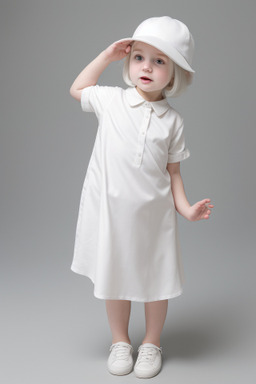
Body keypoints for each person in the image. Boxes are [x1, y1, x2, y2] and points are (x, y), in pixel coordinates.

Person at [69, 16, 214, 379]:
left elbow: (173, 172)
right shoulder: (111, 101)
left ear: (175, 73)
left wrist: (186, 209)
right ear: (128, 62)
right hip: (113, 214)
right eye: (139, 57)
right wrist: (106, 55)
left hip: (154, 217)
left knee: (155, 281)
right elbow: (78, 88)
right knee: (114, 277)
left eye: (159, 61)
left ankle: (151, 343)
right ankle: (120, 340)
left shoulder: (172, 121)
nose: (146, 66)